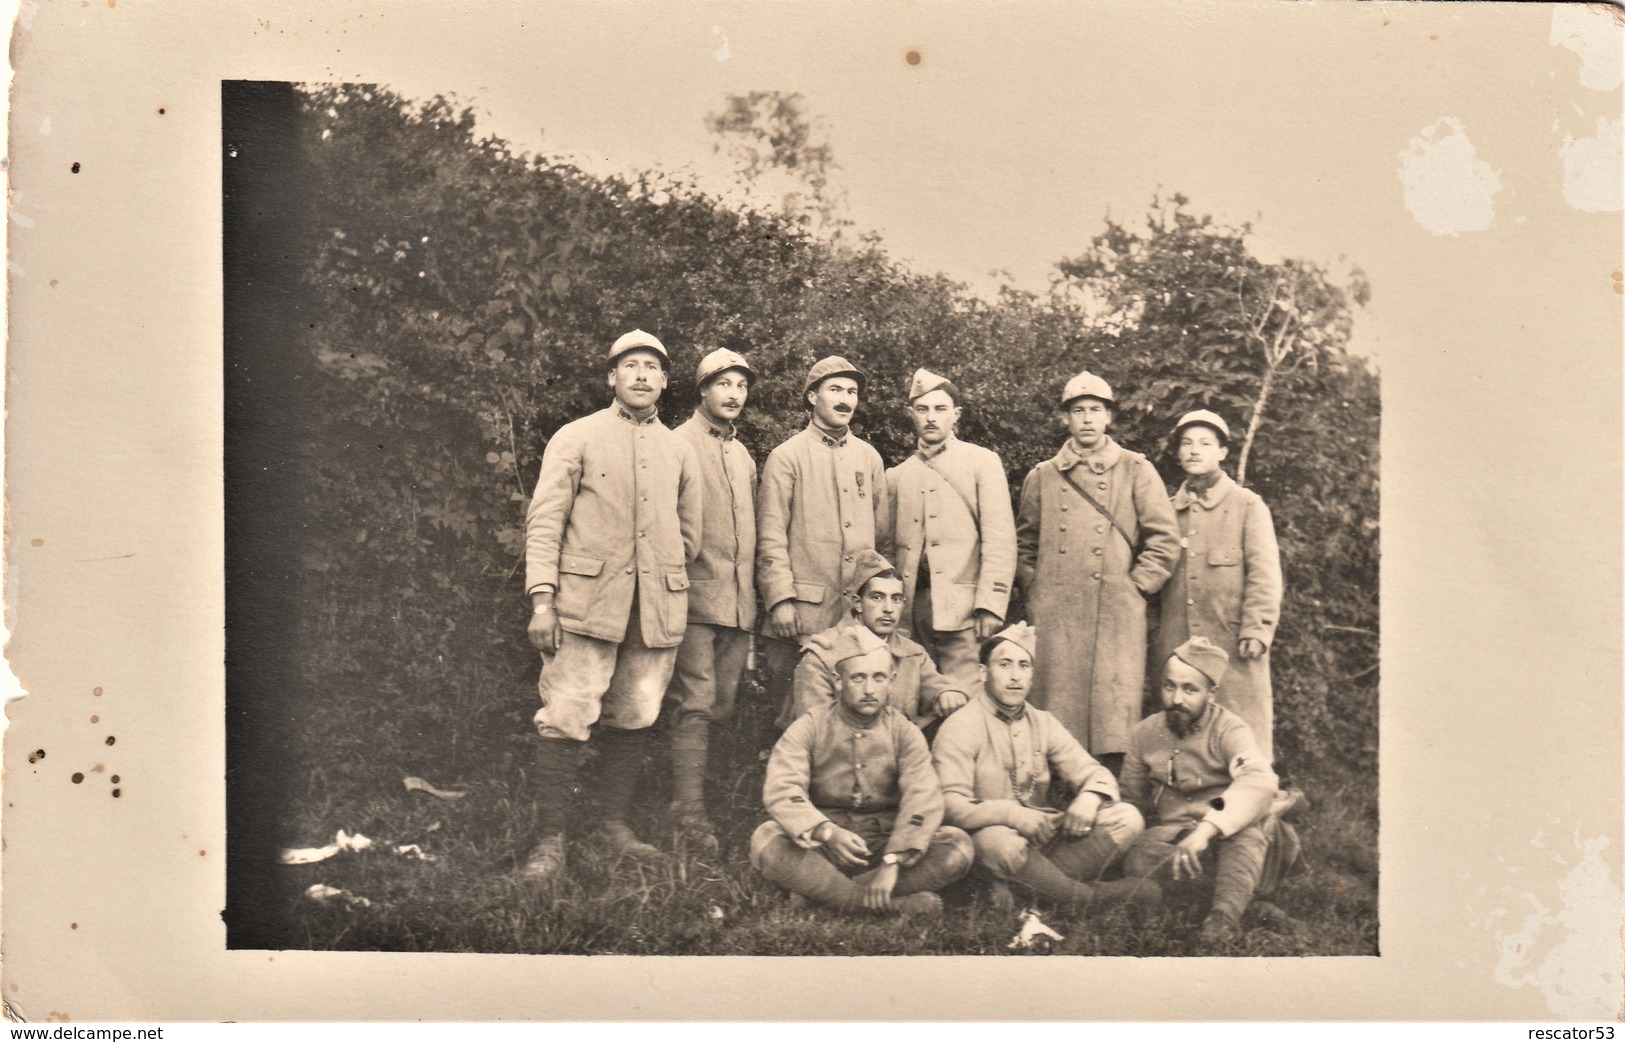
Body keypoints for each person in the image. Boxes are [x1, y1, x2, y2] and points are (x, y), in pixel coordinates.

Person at [518, 329, 703, 887]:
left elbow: (689, 536)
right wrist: (543, 600)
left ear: (666, 381)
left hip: (654, 610)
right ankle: (550, 840)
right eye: (631, 366)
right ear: (612, 378)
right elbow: (545, 522)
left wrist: (658, 572)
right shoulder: (576, 437)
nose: (642, 375)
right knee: (567, 716)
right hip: (584, 606)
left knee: (637, 715)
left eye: (652, 367)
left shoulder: (678, 448)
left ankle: (612, 823)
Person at [1014, 370, 1181, 771]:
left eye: (1095, 410)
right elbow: (1024, 544)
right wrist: (1036, 590)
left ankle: (1111, 788)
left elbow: (1164, 538)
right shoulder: (1043, 475)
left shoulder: (1136, 470)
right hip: (1058, 612)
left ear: (1108, 417)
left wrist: (1137, 586)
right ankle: (1057, 785)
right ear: (1065, 419)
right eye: (1078, 411)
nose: (1087, 419)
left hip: (1115, 613)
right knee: (1057, 705)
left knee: (1113, 707)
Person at [932, 622, 1159, 912]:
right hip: (989, 844)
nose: (1015, 677)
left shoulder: (1042, 721)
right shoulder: (961, 725)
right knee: (999, 845)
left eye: (1024, 666)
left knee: (1127, 818)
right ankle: (1083, 899)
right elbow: (949, 805)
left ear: (1032, 676)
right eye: (1005, 665)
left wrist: (1090, 799)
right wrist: (1012, 815)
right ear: (983, 673)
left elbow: (1095, 773)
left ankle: (1031, 892)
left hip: (1042, 840)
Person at [749, 626, 974, 915]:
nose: (870, 690)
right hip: (824, 847)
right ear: (838, 681)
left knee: (958, 847)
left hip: (885, 844)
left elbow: (923, 797)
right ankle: (884, 904)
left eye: (878, 678)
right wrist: (827, 832)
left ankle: (825, 895)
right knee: (766, 839)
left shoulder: (903, 731)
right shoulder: (810, 725)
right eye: (858, 678)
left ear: (891, 681)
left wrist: (893, 860)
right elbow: (783, 790)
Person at [1119, 637, 1302, 944]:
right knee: (1136, 859)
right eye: (1169, 686)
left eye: (1190, 690)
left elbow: (1259, 779)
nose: (1177, 699)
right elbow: (1131, 799)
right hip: (1175, 837)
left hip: (1227, 832)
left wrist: (1205, 831)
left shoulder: (1229, 729)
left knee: (1246, 829)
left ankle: (1223, 920)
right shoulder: (1143, 734)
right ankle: (1239, 895)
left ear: (1211, 693)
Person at [756, 355, 888, 724]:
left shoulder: (869, 458)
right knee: (797, 718)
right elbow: (770, 537)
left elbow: (883, 541)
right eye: (835, 390)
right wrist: (780, 599)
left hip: (855, 618)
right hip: (802, 615)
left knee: (853, 716)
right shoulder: (787, 457)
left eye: (852, 391)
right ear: (813, 397)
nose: (845, 399)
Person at [665, 348, 758, 850]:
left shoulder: (742, 455)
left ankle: (693, 795)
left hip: (739, 605)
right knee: (695, 703)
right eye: (724, 384)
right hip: (694, 601)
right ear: (702, 390)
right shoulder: (677, 443)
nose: (733, 395)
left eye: (741, 386)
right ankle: (689, 812)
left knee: (721, 704)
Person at [1153, 410, 1283, 762]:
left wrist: (1257, 629)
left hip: (1233, 643)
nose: (1194, 451)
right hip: (1177, 645)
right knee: (1183, 732)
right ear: (1179, 452)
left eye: (1205, 443)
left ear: (1223, 452)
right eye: (1187, 443)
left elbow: (1265, 574)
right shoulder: (1164, 511)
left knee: (1243, 732)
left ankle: (1252, 802)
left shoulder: (1247, 506)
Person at [882, 368, 1017, 693]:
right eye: (923, 409)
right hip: (911, 615)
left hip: (965, 612)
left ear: (955, 415)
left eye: (940, 409)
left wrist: (990, 604)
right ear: (910, 414)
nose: (931, 418)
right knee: (912, 701)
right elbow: (886, 549)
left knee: (965, 703)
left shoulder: (981, 462)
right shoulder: (897, 476)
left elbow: (1000, 540)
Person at [787, 549, 969, 730]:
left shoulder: (912, 653)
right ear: (858, 603)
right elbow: (815, 729)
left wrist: (947, 693)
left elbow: (936, 687)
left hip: (902, 753)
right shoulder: (823, 654)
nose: (888, 609)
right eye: (877, 597)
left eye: (896, 599)